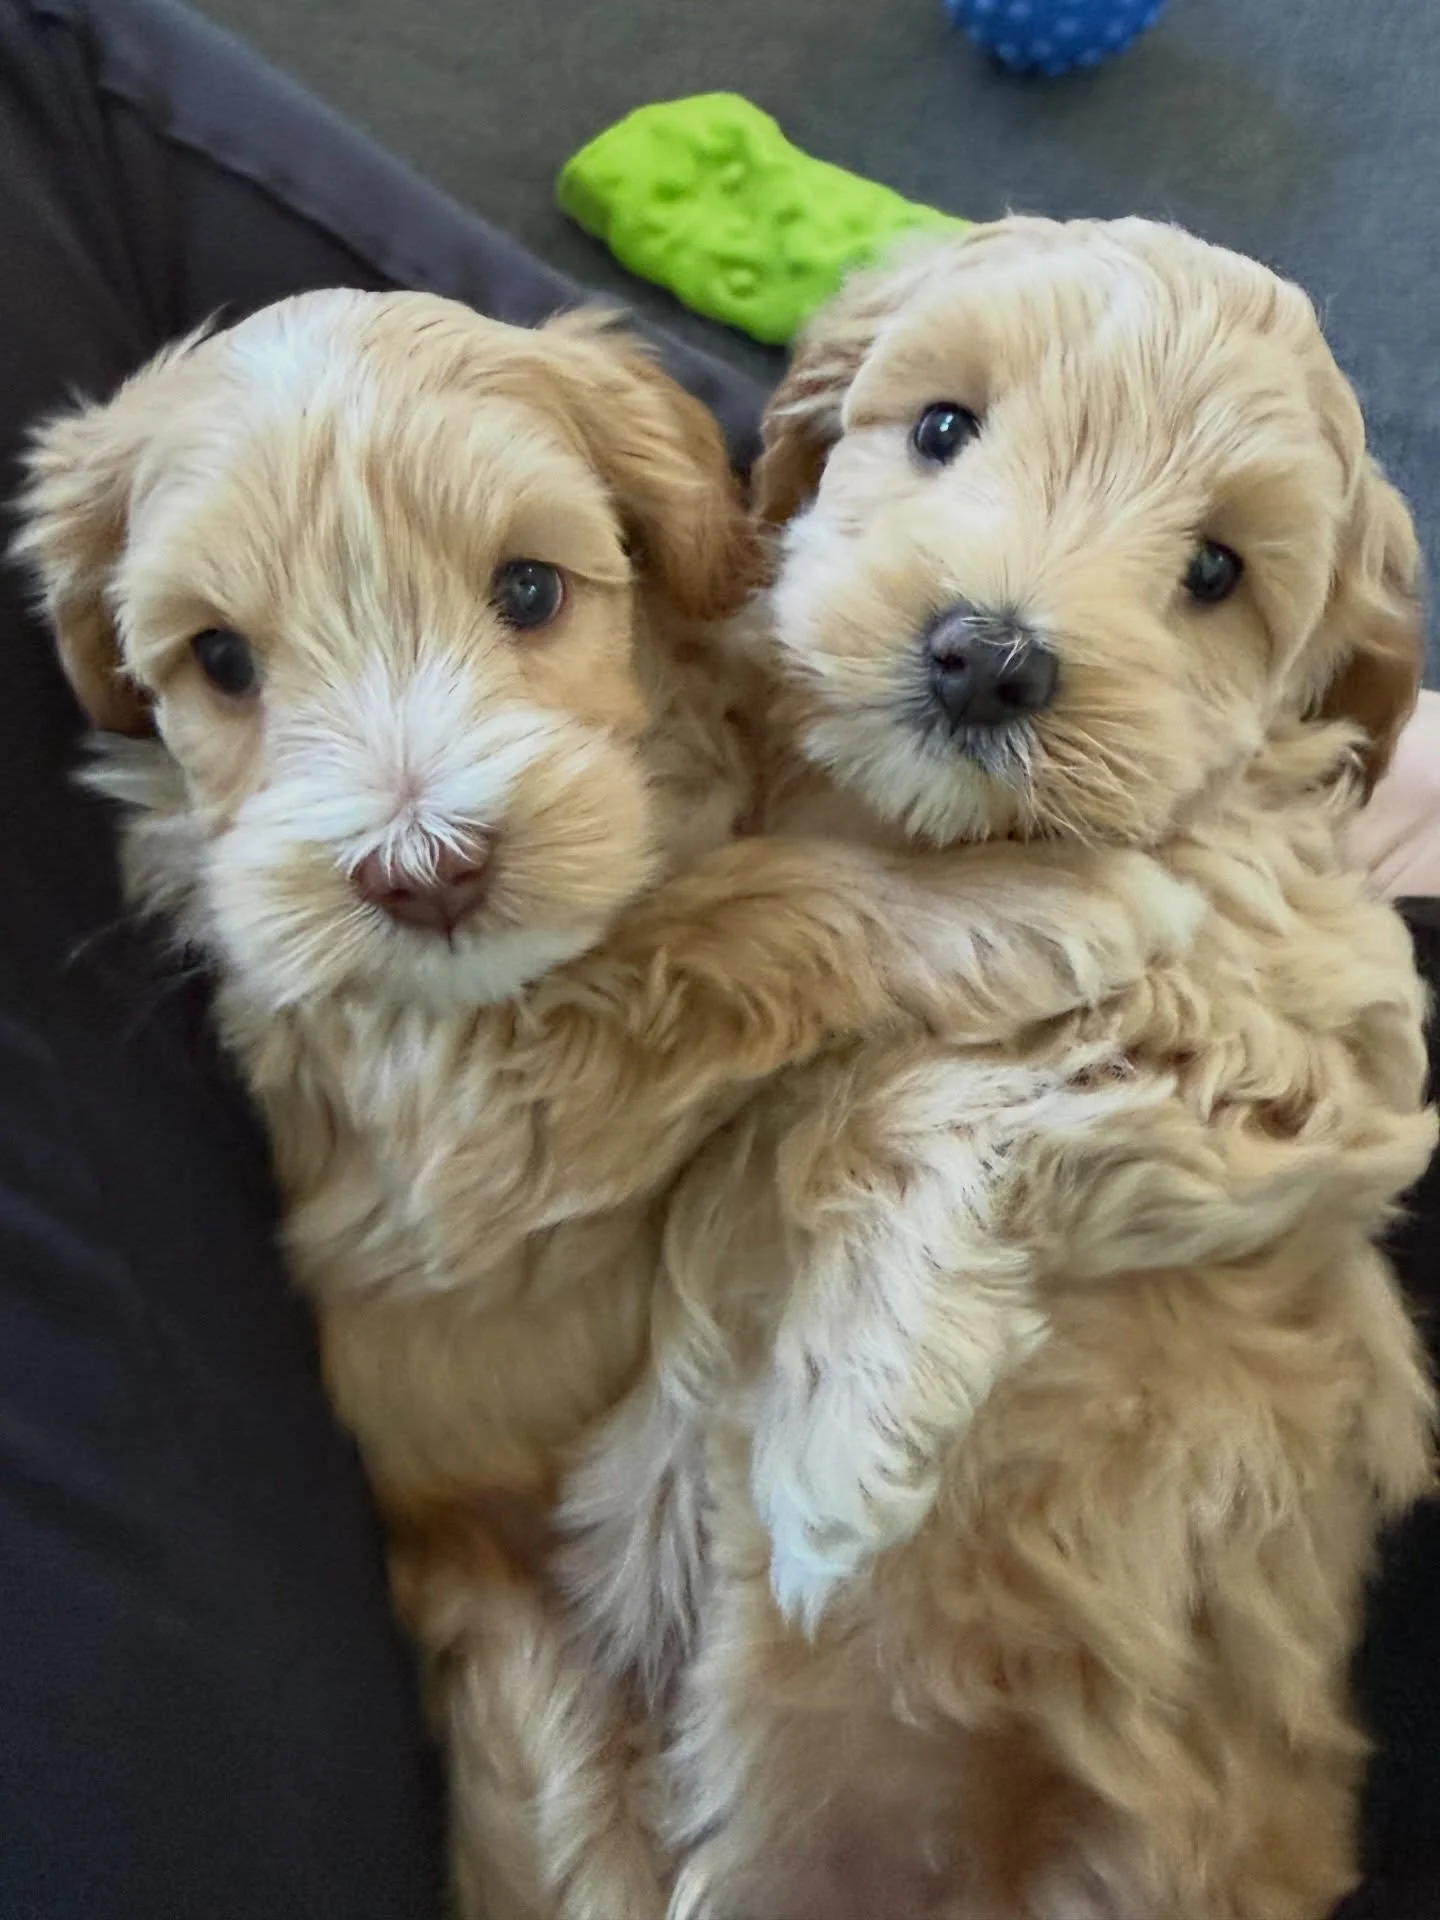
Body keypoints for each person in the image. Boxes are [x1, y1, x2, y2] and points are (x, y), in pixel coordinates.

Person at [0, 3, 1432, 1915]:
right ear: (783, 465)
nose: (415, 835)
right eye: (940, 430)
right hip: (553, 1551)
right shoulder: (732, 619)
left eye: (530, 594)